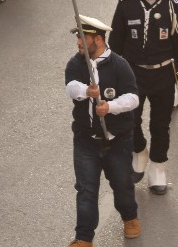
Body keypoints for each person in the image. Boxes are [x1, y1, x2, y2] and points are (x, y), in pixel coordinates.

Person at [108, 0, 178, 195]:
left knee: (160, 124)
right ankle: (140, 150)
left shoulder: (175, 6)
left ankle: (158, 168)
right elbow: (115, 44)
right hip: (133, 74)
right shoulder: (126, 4)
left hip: (164, 73)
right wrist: (111, 73)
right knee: (129, 120)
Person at [65, 16, 141, 247]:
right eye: (78, 36)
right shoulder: (76, 64)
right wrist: (86, 91)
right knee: (86, 189)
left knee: (122, 183)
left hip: (117, 139)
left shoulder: (119, 65)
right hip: (86, 138)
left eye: (82, 37)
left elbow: (133, 98)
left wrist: (110, 107)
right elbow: (70, 87)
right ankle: (84, 238)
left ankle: (130, 217)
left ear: (97, 39)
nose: (78, 41)